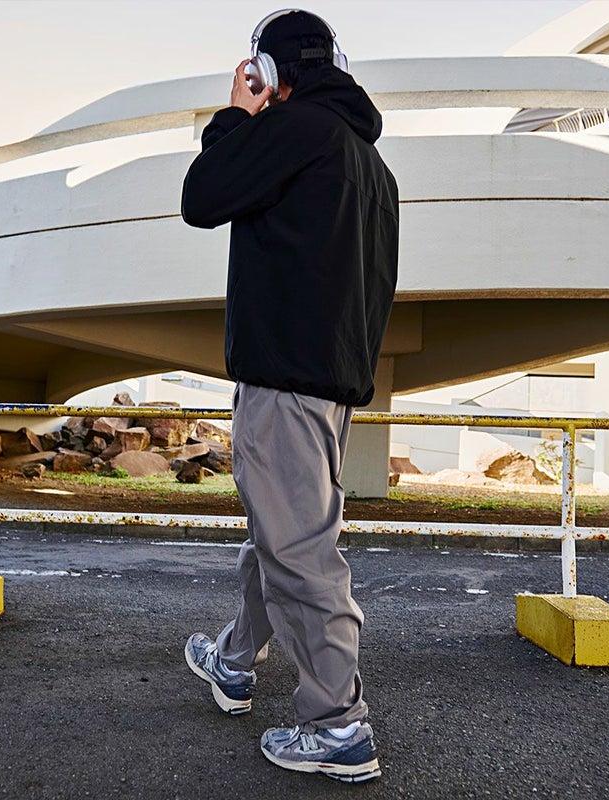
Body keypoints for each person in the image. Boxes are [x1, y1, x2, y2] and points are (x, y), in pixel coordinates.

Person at [180, 8, 398, 783]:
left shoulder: (291, 130)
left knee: (300, 553)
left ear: (270, 72)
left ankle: (338, 726)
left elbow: (202, 196)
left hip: (284, 378)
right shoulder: (371, 165)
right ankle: (235, 661)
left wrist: (235, 119)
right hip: (332, 384)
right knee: (281, 532)